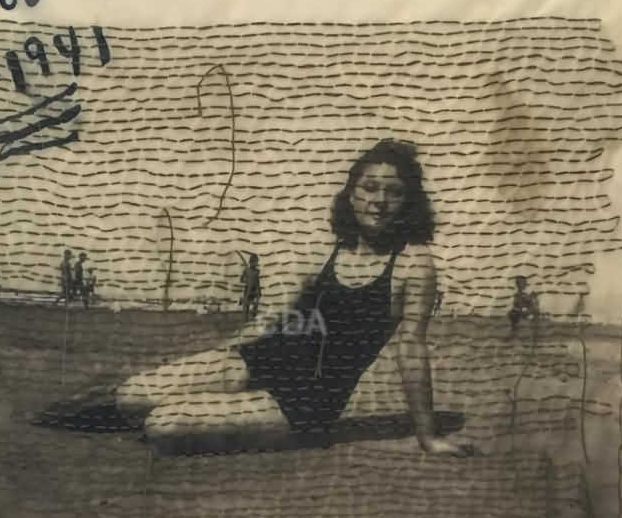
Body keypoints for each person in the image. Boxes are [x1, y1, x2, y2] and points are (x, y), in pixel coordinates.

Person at [113, 139, 474, 456]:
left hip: (302, 402)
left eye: (394, 192)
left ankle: (230, 414)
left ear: (409, 202)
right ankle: (221, 404)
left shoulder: (412, 263)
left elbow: (411, 350)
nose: (379, 201)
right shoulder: (324, 252)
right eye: (370, 187)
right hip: (253, 364)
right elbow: (273, 319)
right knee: (130, 396)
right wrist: (223, 357)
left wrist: (428, 437)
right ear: (351, 195)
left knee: (162, 424)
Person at [237, 252, 262, 321]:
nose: (256, 263)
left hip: (255, 290)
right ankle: (246, 319)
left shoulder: (257, 271)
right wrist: (246, 280)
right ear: (251, 262)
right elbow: (241, 279)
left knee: (256, 304)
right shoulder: (246, 270)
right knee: (247, 306)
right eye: (255, 262)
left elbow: (257, 281)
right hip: (248, 289)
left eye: (257, 262)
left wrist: (259, 291)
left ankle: (254, 316)